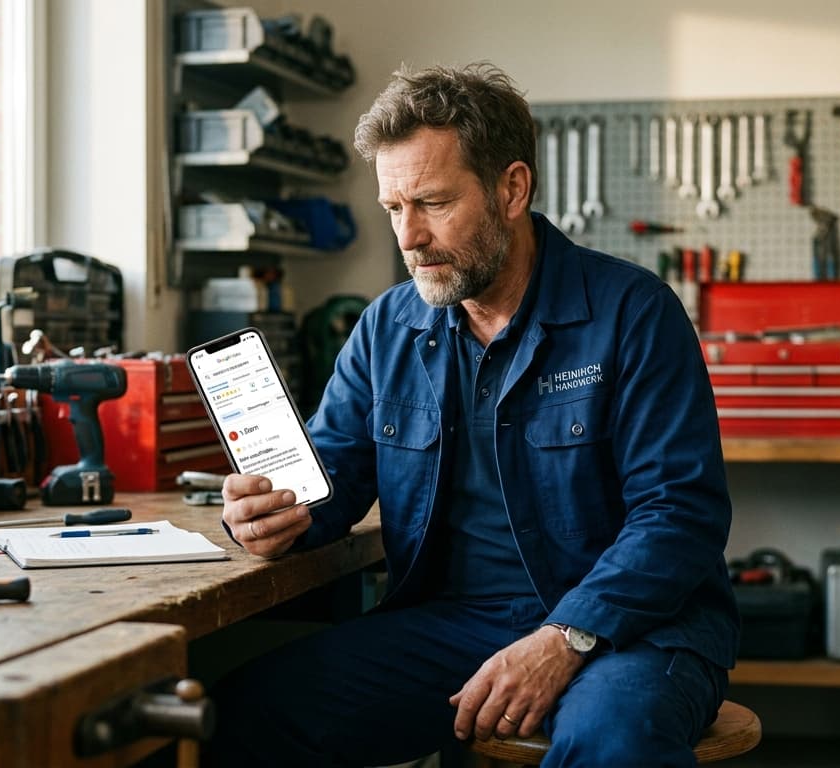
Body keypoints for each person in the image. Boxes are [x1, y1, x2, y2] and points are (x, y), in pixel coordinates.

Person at [209, 62, 739, 767]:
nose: (408, 236)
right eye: (393, 207)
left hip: (630, 629)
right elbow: (333, 467)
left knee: (613, 741)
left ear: (511, 188)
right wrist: (276, 510)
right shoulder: (387, 328)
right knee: (240, 716)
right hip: (452, 625)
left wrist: (566, 635)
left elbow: (679, 514)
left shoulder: (634, 314)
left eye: (431, 202)